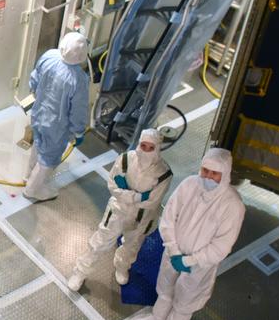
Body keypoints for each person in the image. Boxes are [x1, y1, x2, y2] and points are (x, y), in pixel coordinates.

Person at [129, 147, 244, 320]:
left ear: (225, 173)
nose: (208, 177)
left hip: (199, 265)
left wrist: (190, 260)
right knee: (165, 285)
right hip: (173, 253)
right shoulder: (189, 185)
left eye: (214, 173)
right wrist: (173, 250)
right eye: (205, 171)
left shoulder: (232, 206)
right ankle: (158, 316)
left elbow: (221, 246)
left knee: (187, 297)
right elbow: (169, 217)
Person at [67, 129, 172, 291]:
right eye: (142, 145)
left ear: (158, 148)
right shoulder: (125, 160)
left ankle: (122, 266)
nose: (145, 151)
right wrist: (137, 197)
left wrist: (127, 194)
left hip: (142, 217)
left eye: (150, 147)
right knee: (99, 242)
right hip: (117, 211)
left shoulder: (164, 173)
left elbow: (151, 202)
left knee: (132, 245)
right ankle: (80, 271)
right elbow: (113, 185)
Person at [24, 31, 90, 202]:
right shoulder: (79, 79)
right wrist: (79, 132)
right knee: (49, 157)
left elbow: (34, 79)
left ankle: (28, 176)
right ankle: (32, 189)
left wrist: (36, 92)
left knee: (38, 144)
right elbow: (78, 110)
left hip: (39, 113)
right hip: (57, 125)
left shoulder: (49, 57)